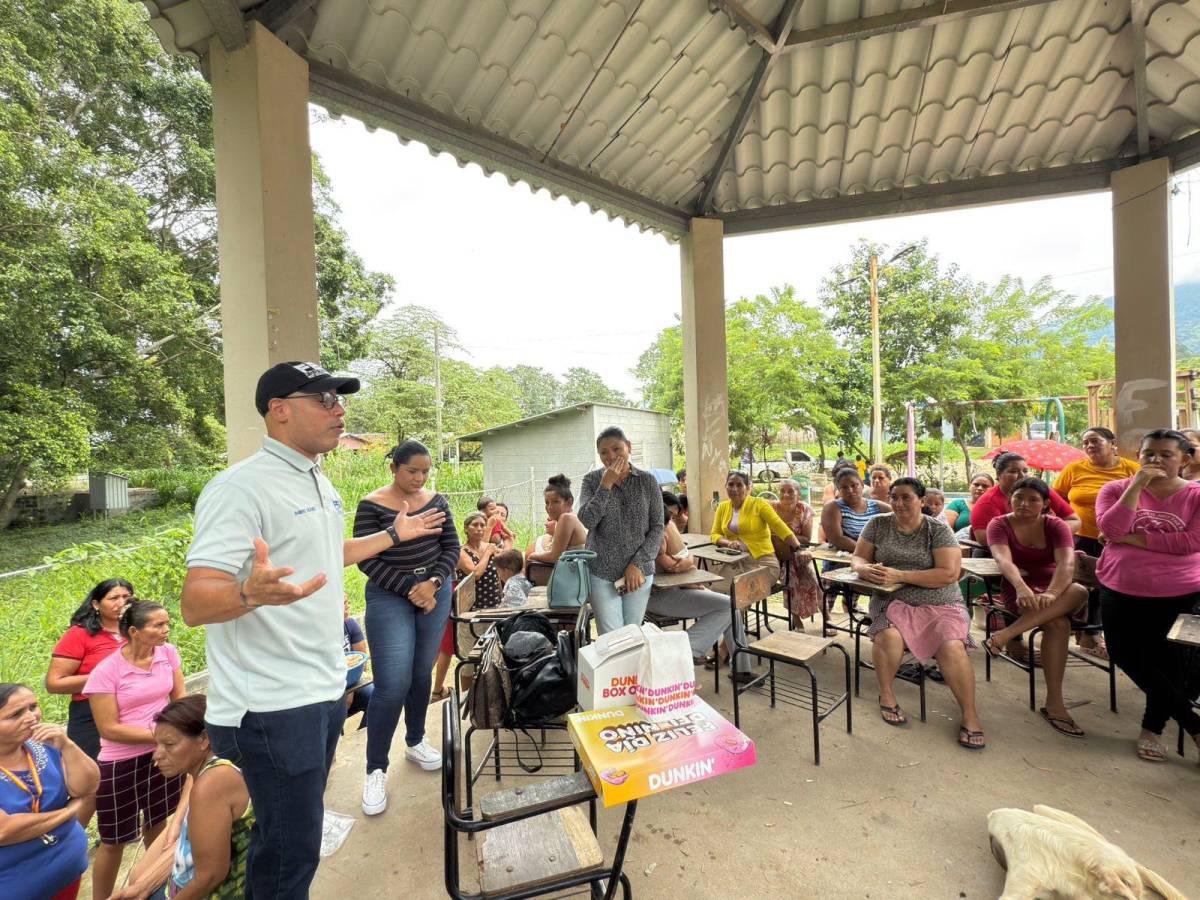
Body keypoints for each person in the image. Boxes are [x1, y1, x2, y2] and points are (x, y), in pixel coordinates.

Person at [181, 361, 446, 897]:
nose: (339, 409)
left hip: (322, 688)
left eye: (339, 399)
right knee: (290, 853)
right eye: (324, 399)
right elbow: (194, 601)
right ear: (279, 410)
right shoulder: (240, 488)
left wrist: (394, 536)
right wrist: (248, 592)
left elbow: (326, 553)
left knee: (290, 837)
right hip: (273, 703)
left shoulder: (317, 480)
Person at [354, 440, 460, 816]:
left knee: (420, 673)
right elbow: (365, 559)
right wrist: (410, 589)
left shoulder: (437, 501)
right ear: (393, 468)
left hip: (435, 592)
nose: (419, 478)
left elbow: (451, 548)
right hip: (390, 596)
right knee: (392, 683)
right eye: (412, 471)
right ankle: (375, 769)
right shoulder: (372, 505)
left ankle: (415, 741)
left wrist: (432, 584)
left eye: (425, 471)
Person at [850, 478, 984, 749]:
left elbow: (949, 574)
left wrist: (901, 575)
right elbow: (858, 557)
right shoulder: (878, 524)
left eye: (906, 497)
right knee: (889, 636)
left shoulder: (937, 529)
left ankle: (970, 715)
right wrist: (862, 568)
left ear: (921, 501)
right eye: (894, 497)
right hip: (891, 600)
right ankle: (886, 694)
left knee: (951, 645)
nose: (898, 503)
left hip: (941, 602)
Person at [1095, 429, 1200, 763]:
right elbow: (1110, 529)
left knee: (1168, 663)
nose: (1156, 460)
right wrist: (1136, 486)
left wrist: (1128, 538)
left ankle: (1152, 729)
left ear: (1184, 459)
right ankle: (1194, 725)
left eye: (1166, 455)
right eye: (1148, 453)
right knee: (1124, 654)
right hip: (1119, 585)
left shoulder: (1196, 495)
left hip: (1178, 590)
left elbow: (1191, 542)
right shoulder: (1115, 489)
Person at [84, 601, 186, 900]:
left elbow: (179, 699)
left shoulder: (167, 654)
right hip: (121, 762)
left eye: (167, 624)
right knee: (114, 839)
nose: (166, 630)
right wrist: (162, 736)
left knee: (159, 821)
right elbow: (109, 728)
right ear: (134, 631)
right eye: (158, 625)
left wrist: (177, 735)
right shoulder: (106, 672)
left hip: (162, 754)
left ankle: (151, 887)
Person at [110, 695, 254, 900]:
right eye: (157, 744)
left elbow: (210, 875)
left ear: (204, 739)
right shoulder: (214, 767)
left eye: (169, 744)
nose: (157, 755)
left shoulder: (213, 783)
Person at [983, 478, 1091, 736]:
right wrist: (1022, 587)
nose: (1024, 503)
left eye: (1033, 499)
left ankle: (1004, 636)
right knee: (1058, 624)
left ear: (1045, 504)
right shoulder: (998, 524)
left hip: (1057, 587)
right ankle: (1055, 705)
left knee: (1078, 590)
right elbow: (1003, 561)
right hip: (1019, 588)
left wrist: (1052, 592)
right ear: (1010, 500)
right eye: (1019, 497)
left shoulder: (1056, 525)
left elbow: (1066, 564)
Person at [0, 683, 99, 900]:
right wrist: (69, 811)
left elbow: (87, 786)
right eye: (16, 714)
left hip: (67, 872)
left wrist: (68, 745)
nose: (31, 717)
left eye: (33, 707)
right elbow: (4, 831)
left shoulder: (43, 745)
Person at [577, 426, 665, 634]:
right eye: (604, 452)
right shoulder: (591, 481)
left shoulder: (647, 481)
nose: (611, 456)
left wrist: (637, 564)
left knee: (633, 632)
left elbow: (657, 527)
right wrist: (605, 486)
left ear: (629, 447)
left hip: (639, 572)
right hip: (602, 571)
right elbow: (588, 520)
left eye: (617, 449)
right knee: (611, 637)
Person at [647, 510, 752, 681]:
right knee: (728, 606)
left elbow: (687, 559)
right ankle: (687, 649)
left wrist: (687, 565)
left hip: (676, 587)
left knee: (731, 607)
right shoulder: (651, 532)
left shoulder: (666, 527)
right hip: (657, 595)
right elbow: (674, 565)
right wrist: (686, 568)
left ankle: (741, 669)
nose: (678, 518)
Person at [46, 579, 133, 769]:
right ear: (96, 604)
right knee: (97, 773)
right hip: (91, 714)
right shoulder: (80, 634)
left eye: (126, 597)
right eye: (113, 598)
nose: (121, 603)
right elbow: (54, 683)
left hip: (135, 709)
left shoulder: (137, 631)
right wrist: (106, 677)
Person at [1053, 427, 1140, 558]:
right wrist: (1065, 523)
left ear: (1112, 443)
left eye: (1095, 441)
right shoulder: (1073, 469)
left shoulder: (1133, 469)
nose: (1090, 445)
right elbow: (1056, 498)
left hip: (1118, 538)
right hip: (1079, 537)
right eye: (1085, 443)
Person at [710, 471, 804, 590]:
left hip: (763, 563)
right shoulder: (722, 507)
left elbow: (780, 527)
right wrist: (728, 543)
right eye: (731, 484)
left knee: (741, 591)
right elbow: (714, 534)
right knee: (717, 590)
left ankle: (740, 602)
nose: (734, 489)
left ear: (747, 488)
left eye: (739, 485)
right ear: (726, 486)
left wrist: (799, 548)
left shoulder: (759, 504)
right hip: (736, 563)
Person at [970, 451, 1080, 545]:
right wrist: (1033, 537)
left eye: (1025, 471)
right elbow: (983, 538)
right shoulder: (988, 502)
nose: (1022, 476)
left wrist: (1051, 535)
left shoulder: (1041, 490)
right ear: (999, 474)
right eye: (1013, 471)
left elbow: (1074, 520)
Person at [769, 479, 822, 630]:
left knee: (812, 577)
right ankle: (796, 619)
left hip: (797, 553)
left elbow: (806, 538)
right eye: (782, 491)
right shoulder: (770, 508)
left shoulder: (804, 509)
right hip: (775, 555)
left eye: (791, 491)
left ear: (798, 494)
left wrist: (783, 537)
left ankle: (827, 616)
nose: (786, 494)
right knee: (790, 579)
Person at [525, 474, 588, 580]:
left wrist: (532, 556)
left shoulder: (566, 518)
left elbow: (555, 556)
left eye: (555, 502)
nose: (550, 507)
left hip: (572, 578)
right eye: (547, 503)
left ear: (569, 502)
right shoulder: (565, 519)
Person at [344, 600, 372, 729]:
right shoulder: (317, 633)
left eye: (346, 601)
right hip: (329, 690)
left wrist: (350, 690)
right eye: (342, 602)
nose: (347, 603)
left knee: (376, 695)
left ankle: (362, 736)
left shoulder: (350, 625)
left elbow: (361, 663)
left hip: (352, 683)